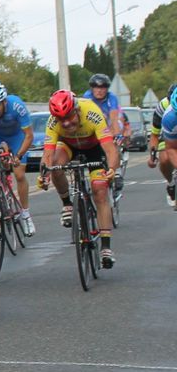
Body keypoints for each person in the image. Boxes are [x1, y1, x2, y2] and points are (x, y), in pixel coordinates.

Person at [36, 90, 119, 268]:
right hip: (69, 146)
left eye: (69, 117)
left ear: (77, 110)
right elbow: (48, 155)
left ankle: (105, 246)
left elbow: (110, 149)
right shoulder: (53, 122)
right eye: (61, 119)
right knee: (56, 166)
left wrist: (112, 168)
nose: (66, 123)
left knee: (100, 190)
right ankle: (67, 203)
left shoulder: (91, 112)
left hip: (93, 148)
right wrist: (44, 175)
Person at [0, 81, 36, 236]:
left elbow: (29, 135)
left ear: (5, 101)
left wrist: (18, 156)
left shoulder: (17, 106)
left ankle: (25, 215)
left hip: (17, 137)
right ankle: (0, 191)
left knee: (19, 174)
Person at [148, 83, 177, 206]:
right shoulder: (163, 109)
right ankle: (171, 183)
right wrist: (152, 156)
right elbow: (154, 135)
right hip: (167, 134)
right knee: (164, 158)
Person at [160, 88, 177, 206]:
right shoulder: (169, 117)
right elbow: (171, 148)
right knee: (165, 158)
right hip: (173, 137)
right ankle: (171, 183)